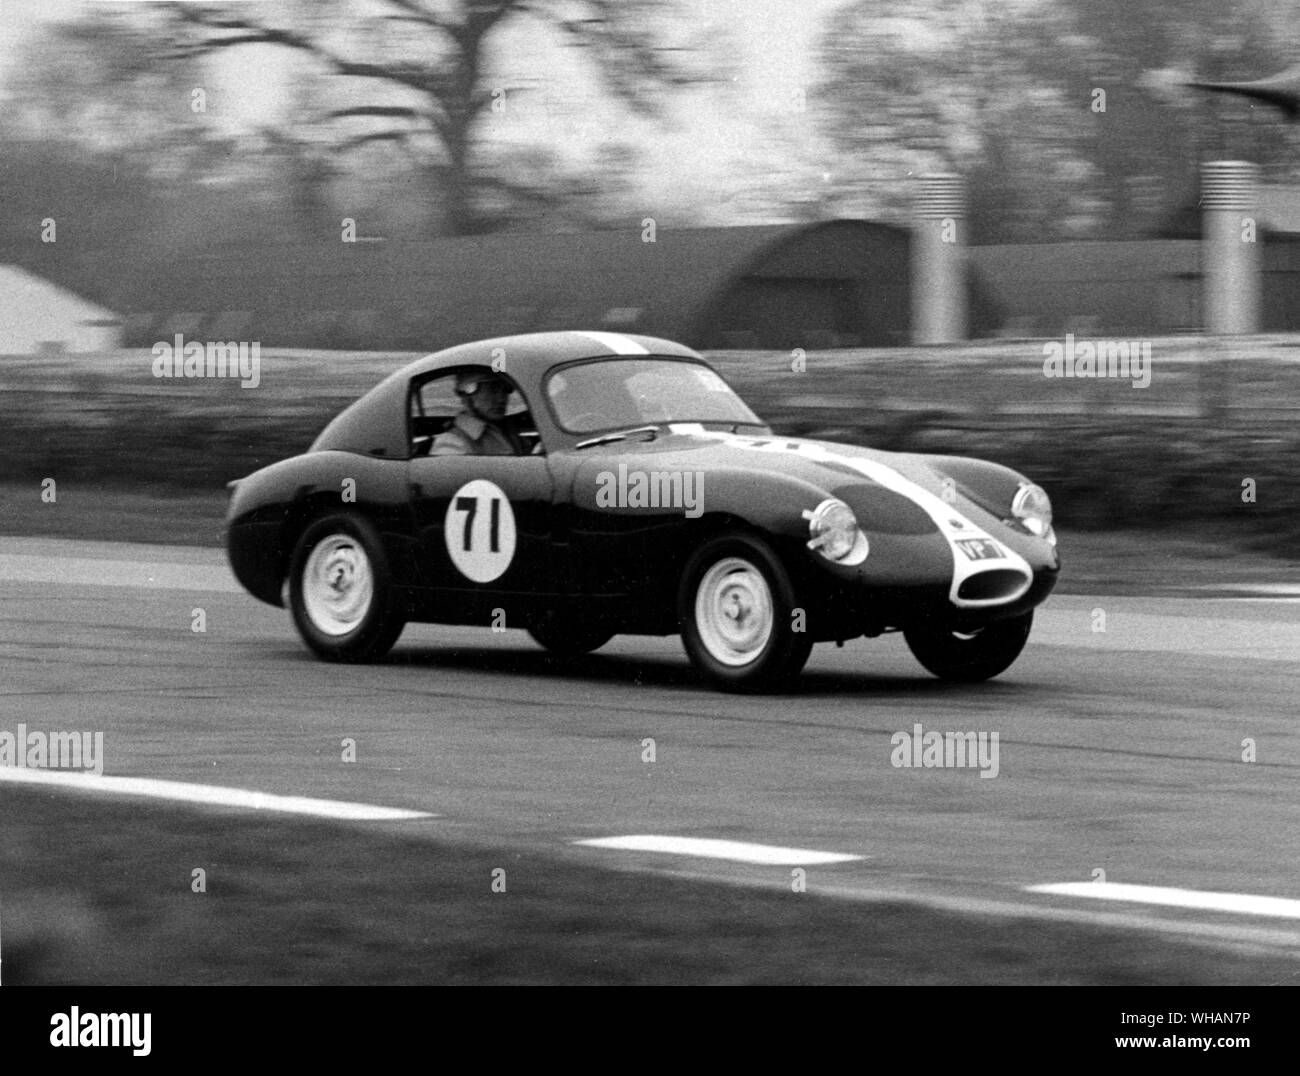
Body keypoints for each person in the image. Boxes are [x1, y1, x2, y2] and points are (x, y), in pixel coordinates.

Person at [429, 370, 525, 456]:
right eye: (493, 389)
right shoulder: (452, 443)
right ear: (468, 392)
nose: (501, 398)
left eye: (504, 390)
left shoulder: (506, 430)